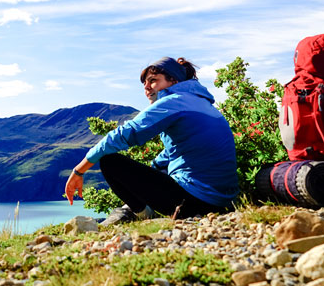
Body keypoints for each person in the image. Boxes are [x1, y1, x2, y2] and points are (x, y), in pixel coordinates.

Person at [65, 57, 238, 223]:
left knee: (110, 162)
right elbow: (176, 150)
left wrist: (79, 171)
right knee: (159, 167)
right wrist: (151, 170)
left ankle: (144, 215)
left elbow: (126, 133)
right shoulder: (201, 103)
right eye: (144, 83)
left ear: (173, 81)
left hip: (194, 202)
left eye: (153, 80)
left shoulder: (174, 102)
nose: (146, 87)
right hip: (224, 201)